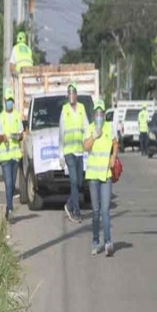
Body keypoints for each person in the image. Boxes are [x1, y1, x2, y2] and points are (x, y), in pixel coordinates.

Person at [84, 100, 118, 257]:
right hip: (92, 176)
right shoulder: (90, 128)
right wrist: (93, 136)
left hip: (106, 175)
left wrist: (113, 157)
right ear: (93, 115)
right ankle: (95, 241)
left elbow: (115, 142)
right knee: (96, 210)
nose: (99, 116)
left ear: (104, 115)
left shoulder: (109, 127)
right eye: (97, 113)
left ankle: (108, 242)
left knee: (105, 210)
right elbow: (85, 146)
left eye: (101, 113)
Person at [59, 82, 89, 224]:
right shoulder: (64, 110)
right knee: (73, 181)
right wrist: (60, 155)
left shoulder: (82, 108)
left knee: (79, 183)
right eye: (69, 92)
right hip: (69, 152)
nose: (71, 95)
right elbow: (61, 133)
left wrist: (89, 145)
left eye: (73, 92)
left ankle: (69, 204)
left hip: (79, 151)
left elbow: (86, 127)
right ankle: (76, 212)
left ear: (76, 94)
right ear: (67, 95)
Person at [0, 88, 24, 222]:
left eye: (12, 101)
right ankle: (11, 209)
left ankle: (8, 208)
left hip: (15, 155)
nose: (10, 103)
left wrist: (18, 136)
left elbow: (22, 134)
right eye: (8, 101)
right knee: (8, 183)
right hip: (5, 156)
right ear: (5, 101)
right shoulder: (1, 117)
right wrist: (4, 138)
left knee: (12, 185)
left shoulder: (17, 115)